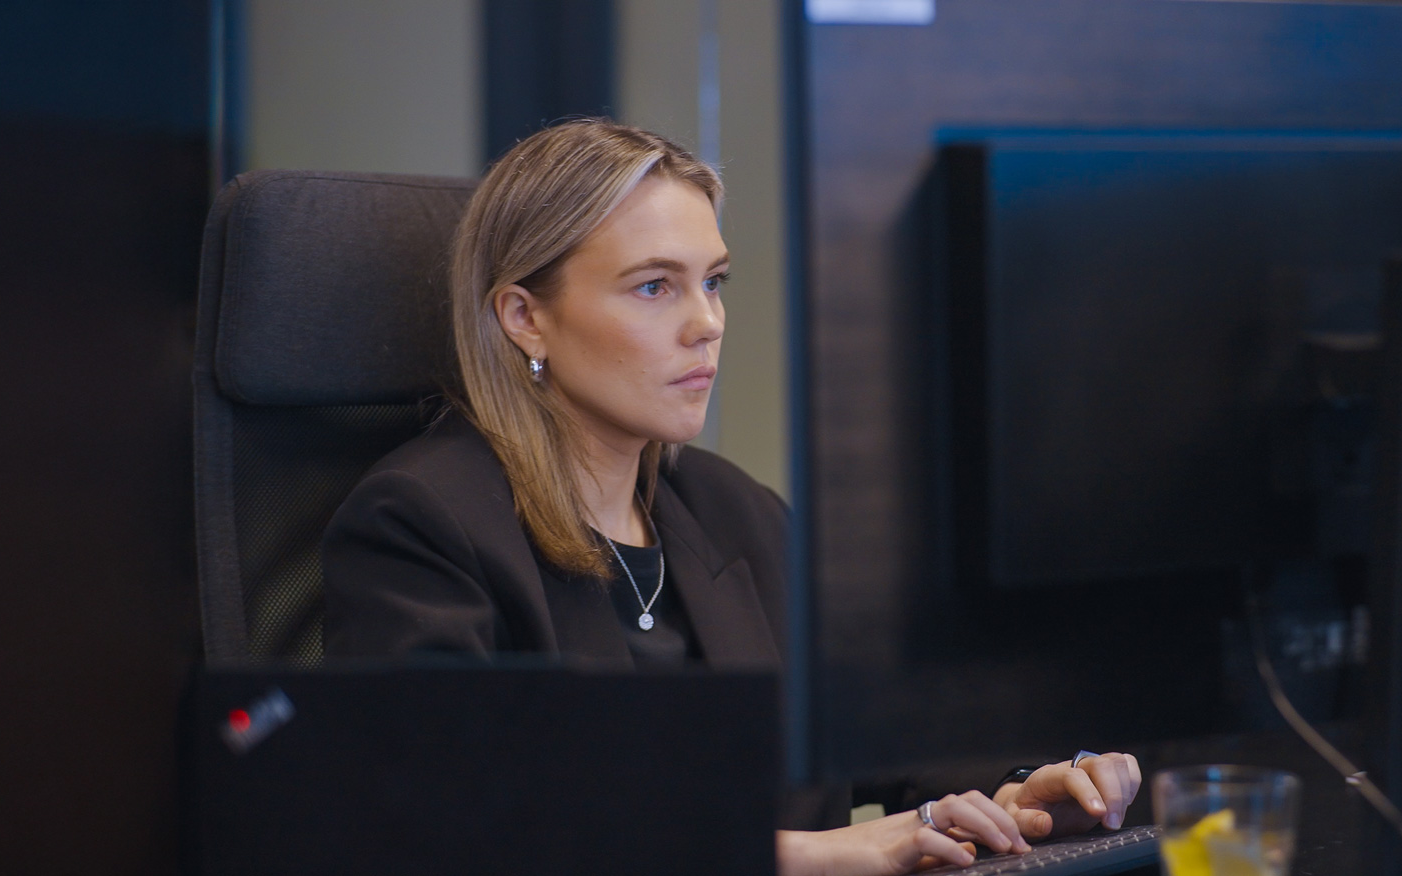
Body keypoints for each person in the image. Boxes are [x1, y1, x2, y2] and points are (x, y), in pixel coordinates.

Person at [321, 118, 1141, 875]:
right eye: (654, 287)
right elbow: (447, 832)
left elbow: (886, 739)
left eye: (713, 282)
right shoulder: (421, 523)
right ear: (524, 318)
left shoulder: (735, 512)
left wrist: (1022, 790)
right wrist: (803, 857)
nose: (707, 323)